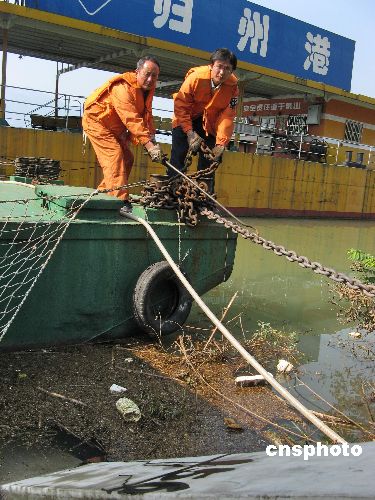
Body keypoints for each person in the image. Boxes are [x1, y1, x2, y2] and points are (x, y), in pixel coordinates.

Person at [82, 56, 162, 214]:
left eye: (154, 76)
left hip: (115, 127)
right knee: (115, 155)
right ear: (137, 71)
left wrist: (152, 138)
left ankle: (105, 193)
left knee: (127, 158)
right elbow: (131, 117)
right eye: (147, 74)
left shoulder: (147, 91)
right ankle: (119, 200)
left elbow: (147, 115)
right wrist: (149, 145)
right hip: (97, 122)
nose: (150, 78)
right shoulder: (122, 87)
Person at [168, 48, 239, 191]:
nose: (222, 72)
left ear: (231, 71)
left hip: (209, 125)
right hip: (185, 119)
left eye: (227, 69)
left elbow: (227, 116)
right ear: (211, 65)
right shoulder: (196, 78)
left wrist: (221, 143)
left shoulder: (232, 86)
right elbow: (181, 105)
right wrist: (189, 132)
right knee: (179, 157)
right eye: (219, 66)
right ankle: (171, 191)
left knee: (210, 161)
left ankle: (205, 196)